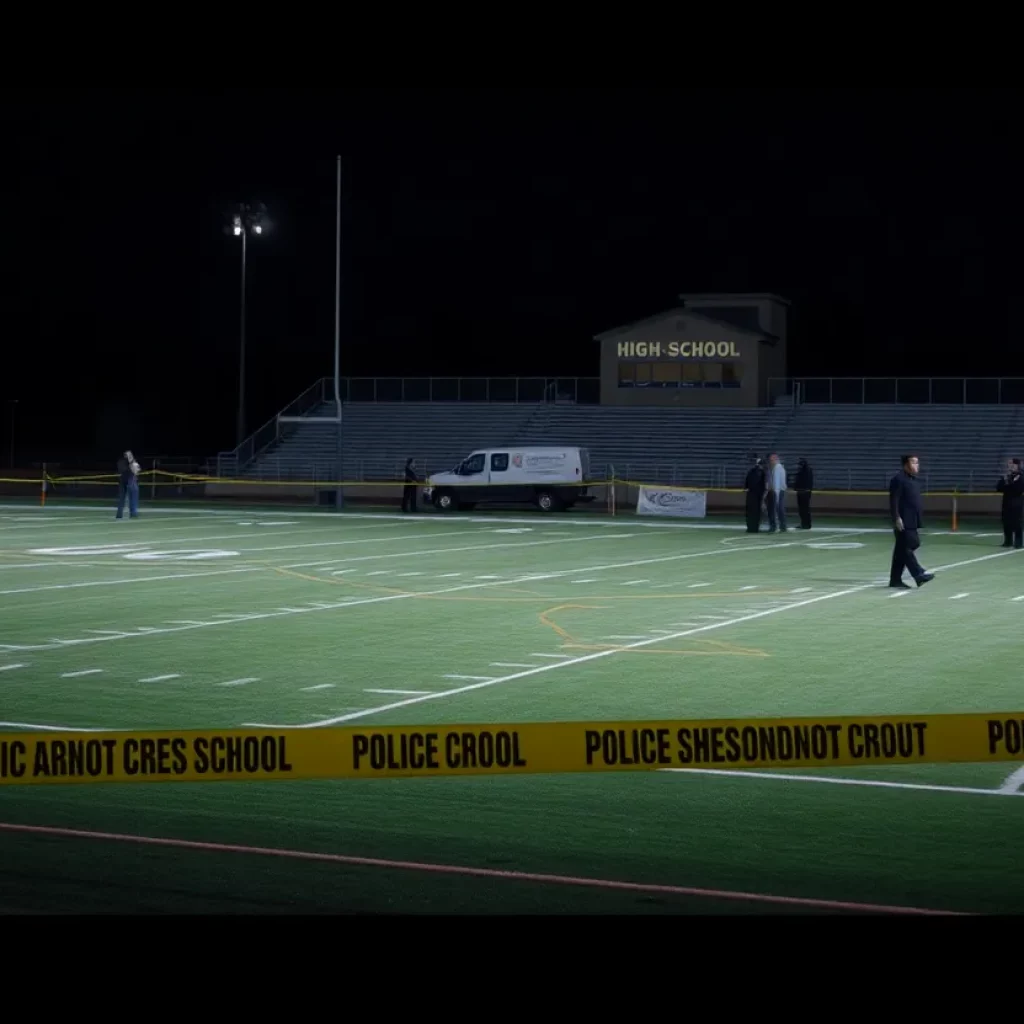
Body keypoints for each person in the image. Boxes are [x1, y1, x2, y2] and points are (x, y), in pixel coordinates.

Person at [888, 453, 933, 588]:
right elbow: (894, 500)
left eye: (917, 463)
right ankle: (918, 574)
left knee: (901, 550)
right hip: (903, 521)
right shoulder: (898, 479)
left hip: (912, 520)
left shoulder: (913, 480)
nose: (916, 465)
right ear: (906, 465)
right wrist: (896, 517)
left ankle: (895, 580)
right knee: (909, 545)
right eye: (913, 462)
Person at [996, 457, 1023, 549]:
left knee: (1016, 522)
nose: (1010, 466)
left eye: (1012, 464)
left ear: (1017, 465)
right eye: (1009, 464)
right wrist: (1008, 484)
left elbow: (1018, 489)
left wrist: (1008, 485)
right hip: (1006, 502)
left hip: (1016, 502)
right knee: (1006, 522)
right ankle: (1008, 541)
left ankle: (1018, 542)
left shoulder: (1021, 476)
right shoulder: (1006, 476)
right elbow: (999, 488)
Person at [765, 453, 788, 532]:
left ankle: (774, 526)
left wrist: (776, 494)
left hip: (776, 491)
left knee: (774, 509)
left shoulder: (777, 467)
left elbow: (776, 482)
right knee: (779, 509)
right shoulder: (776, 467)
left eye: (771, 459)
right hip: (777, 491)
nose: (770, 461)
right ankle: (782, 526)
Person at [115, 449, 140, 519]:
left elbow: (137, 470)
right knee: (125, 498)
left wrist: (133, 465)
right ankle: (125, 514)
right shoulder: (124, 462)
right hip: (127, 481)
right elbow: (125, 470)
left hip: (128, 480)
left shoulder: (132, 462)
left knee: (129, 498)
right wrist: (131, 464)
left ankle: (130, 513)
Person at [743, 457, 766, 532]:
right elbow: (763, 485)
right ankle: (755, 528)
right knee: (757, 513)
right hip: (758, 495)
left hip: (750, 494)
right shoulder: (762, 473)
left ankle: (750, 528)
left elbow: (746, 485)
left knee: (750, 512)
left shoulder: (751, 471)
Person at [794, 458, 814, 529]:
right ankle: (805, 523)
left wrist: (796, 488)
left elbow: (800, 481)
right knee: (804, 509)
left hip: (803, 492)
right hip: (805, 492)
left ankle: (806, 524)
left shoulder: (803, 472)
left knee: (804, 509)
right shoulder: (807, 471)